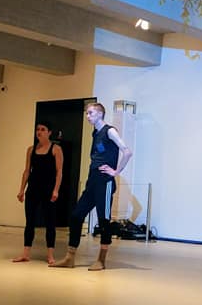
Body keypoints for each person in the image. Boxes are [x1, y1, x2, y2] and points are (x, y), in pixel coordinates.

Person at [51, 103, 132, 271]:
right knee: (76, 216)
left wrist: (116, 171)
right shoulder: (95, 133)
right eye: (86, 113)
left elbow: (127, 151)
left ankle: (101, 260)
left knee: (104, 220)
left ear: (100, 114)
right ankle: (70, 257)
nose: (88, 116)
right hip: (92, 182)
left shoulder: (110, 131)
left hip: (105, 182)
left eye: (91, 113)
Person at [12, 122, 64, 265]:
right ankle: (26, 253)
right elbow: (27, 171)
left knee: (50, 222)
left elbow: (59, 172)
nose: (39, 132)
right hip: (33, 189)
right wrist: (21, 190)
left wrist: (56, 190)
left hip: (48, 190)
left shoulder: (56, 149)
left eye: (43, 129)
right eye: (38, 129)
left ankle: (50, 255)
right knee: (30, 222)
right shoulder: (31, 150)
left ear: (49, 132)